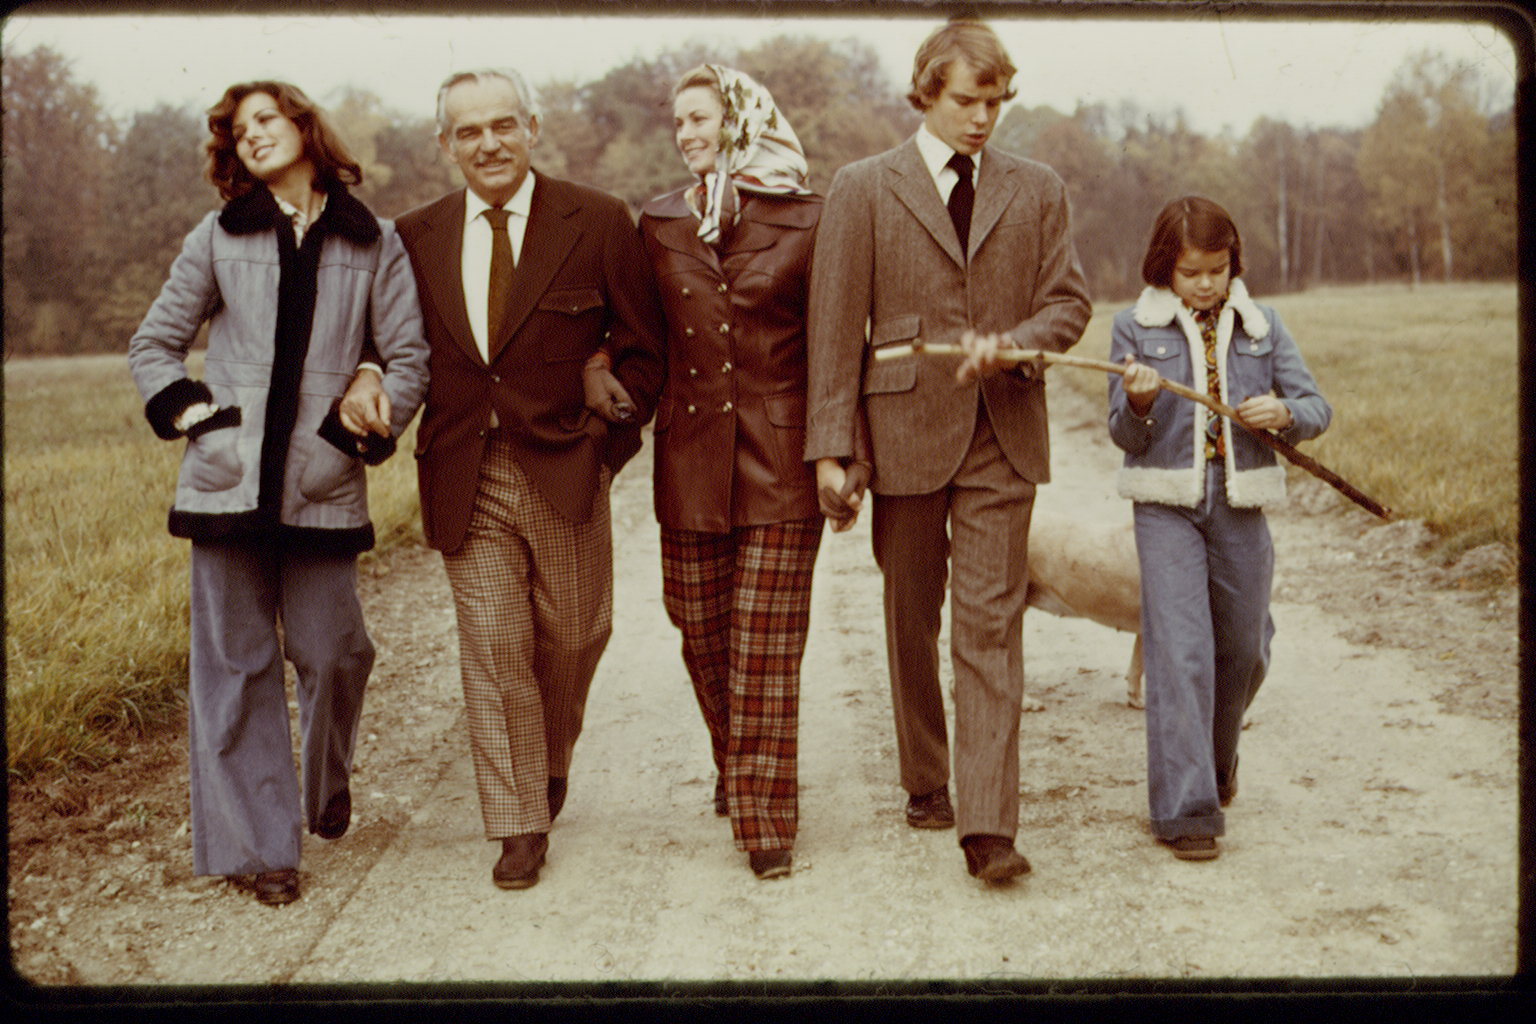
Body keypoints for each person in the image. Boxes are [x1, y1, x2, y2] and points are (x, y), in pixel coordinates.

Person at [340, 68, 665, 891]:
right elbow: (385, 340)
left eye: (503, 125)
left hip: (566, 465)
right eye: (468, 131)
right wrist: (369, 377)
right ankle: (519, 820)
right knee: (494, 646)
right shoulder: (414, 235)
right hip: (463, 469)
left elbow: (644, 351)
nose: (488, 143)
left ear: (531, 128)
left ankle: (548, 757)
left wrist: (603, 446)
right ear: (444, 144)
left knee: (577, 636)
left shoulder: (594, 218)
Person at [127, 81, 429, 907]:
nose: (251, 134)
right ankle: (261, 850)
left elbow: (407, 358)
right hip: (225, 486)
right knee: (235, 667)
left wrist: (365, 416)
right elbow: (155, 343)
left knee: (336, 652)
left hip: (324, 483)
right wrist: (198, 416)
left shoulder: (375, 241)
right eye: (236, 128)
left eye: (267, 119)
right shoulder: (219, 236)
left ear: (304, 127)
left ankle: (322, 790)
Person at [804, 18, 1091, 883]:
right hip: (901, 435)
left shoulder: (1037, 188)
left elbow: (1069, 305)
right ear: (927, 90)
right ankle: (926, 776)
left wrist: (1016, 342)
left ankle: (989, 829)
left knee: (990, 627)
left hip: (1004, 433)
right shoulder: (862, 187)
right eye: (967, 100)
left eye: (996, 101)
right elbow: (833, 329)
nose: (982, 118)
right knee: (910, 616)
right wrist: (832, 446)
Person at [587, 64, 840, 881]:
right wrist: (600, 387)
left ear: (740, 117)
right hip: (690, 458)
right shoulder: (660, 221)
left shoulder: (811, 218)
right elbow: (640, 340)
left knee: (765, 643)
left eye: (701, 118)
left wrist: (844, 452)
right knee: (700, 630)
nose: (689, 134)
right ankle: (742, 763)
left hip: (783, 459)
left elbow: (838, 347)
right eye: (679, 124)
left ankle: (766, 817)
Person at [1108, 195, 1330, 860]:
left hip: (1240, 504)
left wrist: (1284, 413)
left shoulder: (1263, 326)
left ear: (1234, 264)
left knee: (1245, 647)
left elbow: (1317, 407)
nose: (1205, 284)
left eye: (1218, 269)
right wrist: (1141, 402)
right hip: (1165, 506)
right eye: (1190, 272)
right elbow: (1122, 430)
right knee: (1181, 653)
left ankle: (1215, 759)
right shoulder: (1132, 327)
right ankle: (1187, 810)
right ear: (1163, 270)